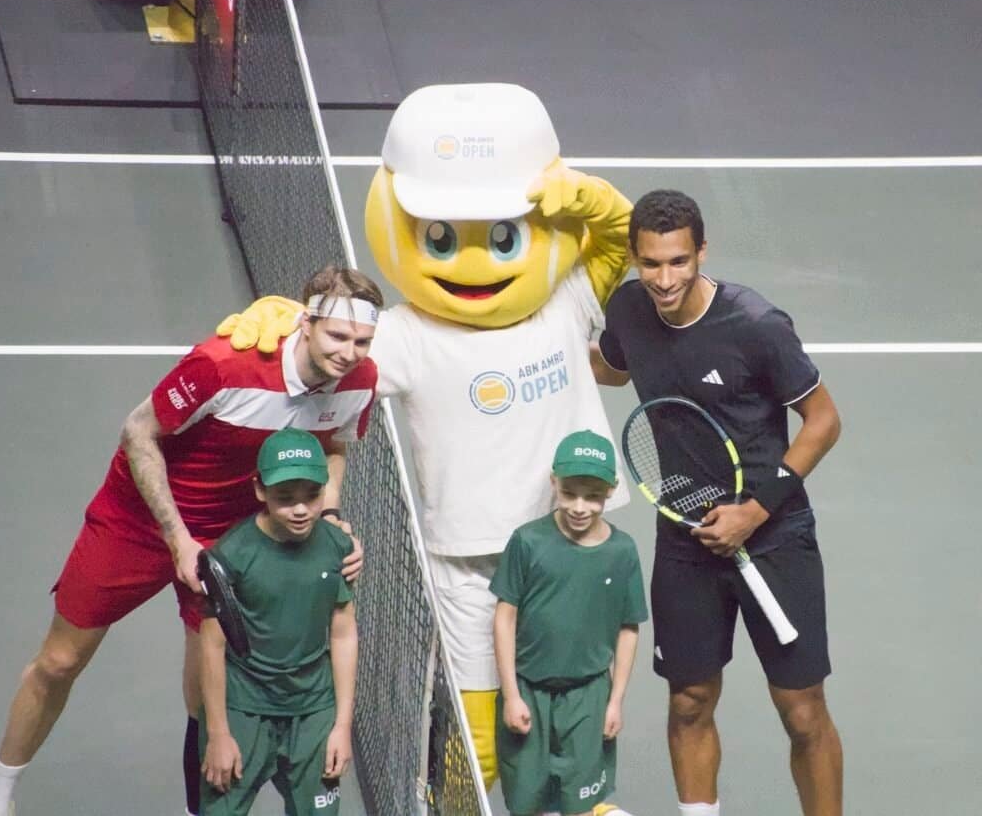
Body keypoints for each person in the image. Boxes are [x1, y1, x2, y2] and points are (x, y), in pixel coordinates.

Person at [217, 85, 635, 807]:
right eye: (442, 236)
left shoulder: (567, 298)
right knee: (479, 738)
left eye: (500, 234)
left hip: (568, 544)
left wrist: (588, 197)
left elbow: (621, 238)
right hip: (468, 561)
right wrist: (290, 326)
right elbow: (325, 377)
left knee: (577, 697)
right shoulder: (404, 336)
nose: (473, 259)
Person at [0, 266, 382, 816]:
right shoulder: (222, 365)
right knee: (60, 661)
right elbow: (138, 431)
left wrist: (330, 515)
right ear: (305, 324)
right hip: (137, 521)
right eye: (338, 336)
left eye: (362, 341)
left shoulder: (360, 380)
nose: (349, 353)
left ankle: (198, 809)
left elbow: (332, 443)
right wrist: (177, 537)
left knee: (204, 689)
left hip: (227, 537)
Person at [591, 189, 844, 816]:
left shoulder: (755, 325)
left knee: (802, 710)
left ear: (702, 251)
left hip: (774, 534)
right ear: (635, 258)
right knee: (689, 702)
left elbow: (823, 421)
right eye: (651, 264)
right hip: (685, 537)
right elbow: (616, 367)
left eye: (678, 261)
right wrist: (543, 344)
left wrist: (753, 512)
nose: (664, 279)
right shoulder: (628, 308)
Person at [198, 428, 357, 816]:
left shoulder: (338, 547)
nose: (300, 509)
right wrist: (218, 733)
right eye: (285, 498)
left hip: (313, 710)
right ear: (260, 489)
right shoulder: (231, 555)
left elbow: (343, 634)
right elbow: (212, 646)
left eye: (312, 496)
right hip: (243, 709)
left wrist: (341, 726)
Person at [490, 430, 646, 816]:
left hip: (588, 698)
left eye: (592, 496)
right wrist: (511, 694)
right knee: (526, 803)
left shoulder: (622, 551)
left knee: (582, 804)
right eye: (569, 493)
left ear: (611, 490)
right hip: (528, 691)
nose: (579, 507)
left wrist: (615, 701)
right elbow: (505, 617)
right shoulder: (527, 542)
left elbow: (628, 628)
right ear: (553, 482)